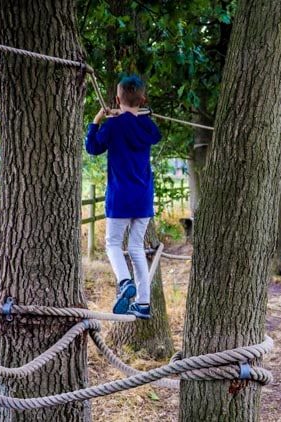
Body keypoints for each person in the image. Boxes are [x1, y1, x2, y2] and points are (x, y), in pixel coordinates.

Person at [85, 75, 161, 319]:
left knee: (113, 244)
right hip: (143, 199)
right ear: (143, 99)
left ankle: (125, 281)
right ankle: (143, 303)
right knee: (136, 247)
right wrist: (134, 115)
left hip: (119, 198)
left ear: (117, 99)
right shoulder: (147, 126)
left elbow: (93, 148)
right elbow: (155, 135)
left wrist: (97, 121)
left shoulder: (112, 126)